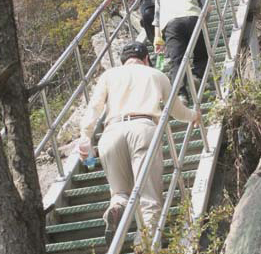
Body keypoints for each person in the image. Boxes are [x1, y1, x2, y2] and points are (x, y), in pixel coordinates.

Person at [79, 41, 200, 240]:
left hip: (111, 133)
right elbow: (176, 111)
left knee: (119, 194)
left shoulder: (109, 76)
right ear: (146, 59)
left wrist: (85, 135)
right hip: (143, 128)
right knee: (149, 199)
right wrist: (194, 115)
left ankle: (116, 207)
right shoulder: (156, 74)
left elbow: (94, 107)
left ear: (123, 61)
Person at [153, 0, 208, 99]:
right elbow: (205, 8)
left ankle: (181, 94)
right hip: (193, 18)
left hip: (171, 24)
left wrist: (158, 40)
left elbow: (157, 20)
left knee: (177, 60)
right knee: (201, 53)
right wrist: (203, 25)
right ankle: (197, 75)